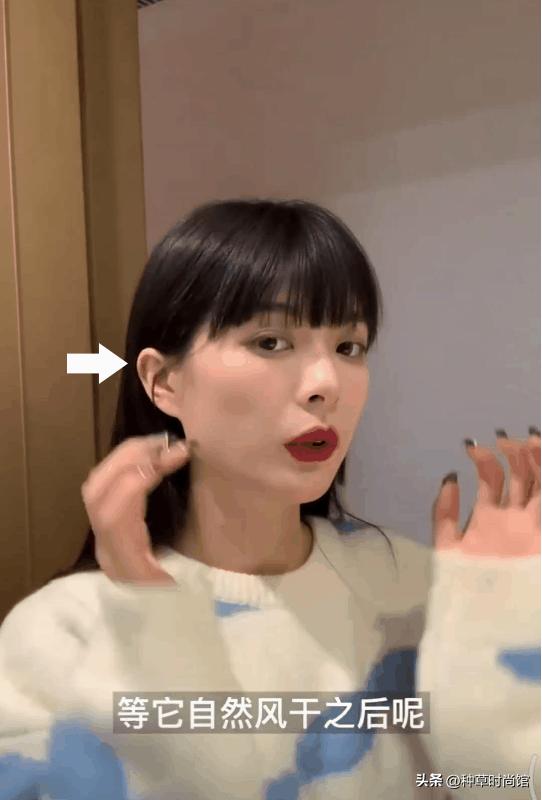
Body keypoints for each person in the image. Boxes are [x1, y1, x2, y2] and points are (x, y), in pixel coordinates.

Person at [0, 198, 539, 800]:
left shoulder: (412, 589)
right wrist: (154, 621)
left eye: (350, 347)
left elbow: (497, 784)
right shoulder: (61, 637)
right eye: (271, 341)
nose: (326, 384)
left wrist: (499, 638)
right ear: (164, 382)